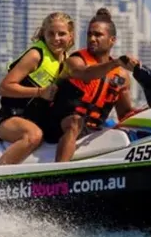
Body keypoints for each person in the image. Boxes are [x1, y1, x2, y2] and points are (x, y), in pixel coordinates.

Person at [48, 8, 140, 162]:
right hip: (58, 125)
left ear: (112, 40)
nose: (92, 38)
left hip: (93, 130)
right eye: (89, 34)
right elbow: (87, 74)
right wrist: (116, 62)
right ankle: (57, 175)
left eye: (98, 35)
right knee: (75, 122)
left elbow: (124, 114)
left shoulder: (121, 76)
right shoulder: (75, 61)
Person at [0, 12, 75, 165]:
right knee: (33, 135)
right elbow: (4, 88)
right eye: (51, 33)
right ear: (44, 33)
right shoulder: (36, 55)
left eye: (62, 34)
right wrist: (39, 92)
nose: (56, 39)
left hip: (40, 121)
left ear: (71, 36)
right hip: (10, 119)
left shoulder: (68, 61)